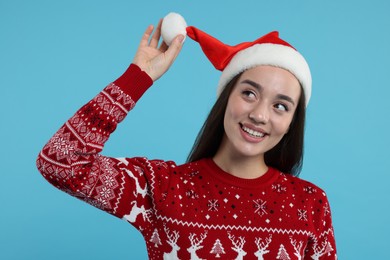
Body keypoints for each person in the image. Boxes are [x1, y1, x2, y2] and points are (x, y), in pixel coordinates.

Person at [37, 13, 336, 259]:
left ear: (291, 123)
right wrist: (137, 78)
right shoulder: (162, 187)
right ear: (226, 99)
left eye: (280, 106)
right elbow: (60, 162)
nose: (259, 114)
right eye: (249, 93)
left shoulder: (310, 204)